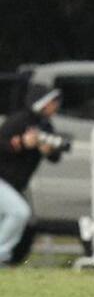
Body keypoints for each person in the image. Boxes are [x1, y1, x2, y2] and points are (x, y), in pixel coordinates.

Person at [0, 87, 65, 265]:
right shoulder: (18, 121)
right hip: (3, 180)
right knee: (19, 212)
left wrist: (48, 150)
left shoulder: (45, 125)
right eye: (53, 102)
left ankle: (10, 260)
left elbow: (56, 155)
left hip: (15, 185)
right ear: (42, 103)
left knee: (19, 219)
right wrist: (21, 143)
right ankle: (2, 254)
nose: (56, 106)